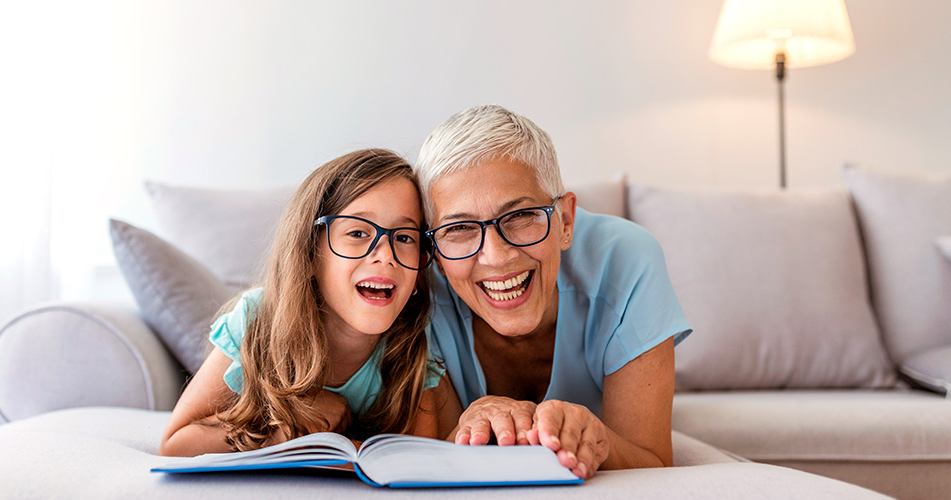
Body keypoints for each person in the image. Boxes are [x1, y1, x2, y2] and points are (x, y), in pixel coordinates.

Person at [416, 105, 692, 479]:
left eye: (519, 216)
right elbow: (428, 458)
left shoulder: (626, 260)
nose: (496, 257)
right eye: (460, 228)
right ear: (433, 252)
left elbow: (654, 462)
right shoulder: (419, 291)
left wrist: (600, 439)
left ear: (565, 220)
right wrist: (470, 425)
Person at [160, 149, 462, 456]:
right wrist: (287, 433)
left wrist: (333, 445)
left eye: (405, 237)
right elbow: (176, 443)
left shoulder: (411, 343)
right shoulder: (258, 320)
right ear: (309, 255)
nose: (385, 255)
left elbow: (415, 460)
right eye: (357, 232)